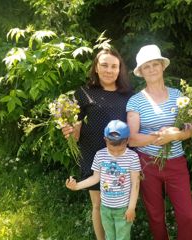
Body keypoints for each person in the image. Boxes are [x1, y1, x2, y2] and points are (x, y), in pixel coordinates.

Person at [126, 44, 192, 240]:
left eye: (155, 64)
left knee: (188, 216)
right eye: (146, 66)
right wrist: (158, 137)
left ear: (162, 66)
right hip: (148, 163)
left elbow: (190, 130)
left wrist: (175, 136)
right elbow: (132, 139)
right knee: (156, 215)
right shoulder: (135, 101)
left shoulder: (178, 96)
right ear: (141, 72)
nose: (151, 69)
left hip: (176, 163)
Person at [62, 47, 133, 240]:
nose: (109, 70)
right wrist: (69, 130)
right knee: (98, 204)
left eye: (114, 66)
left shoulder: (128, 94)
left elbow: (134, 126)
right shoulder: (83, 93)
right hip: (94, 155)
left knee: (120, 204)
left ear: (120, 70)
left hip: (121, 157)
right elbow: (74, 125)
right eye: (104, 65)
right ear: (96, 67)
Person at [66, 120, 141, 240]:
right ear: (105, 140)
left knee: (123, 237)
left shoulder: (132, 157)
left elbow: (135, 184)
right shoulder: (100, 155)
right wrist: (77, 186)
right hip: (105, 208)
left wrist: (131, 207)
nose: (116, 153)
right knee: (109, 236)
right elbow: (95, 178)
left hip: (123, 209)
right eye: (111, 149)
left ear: (127, 140)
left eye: (120, 149)